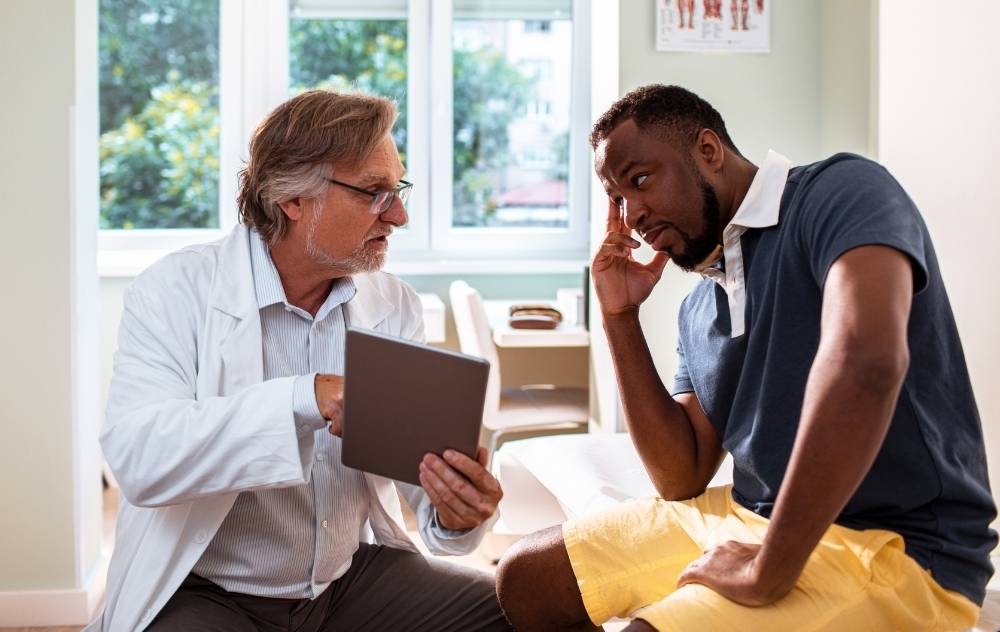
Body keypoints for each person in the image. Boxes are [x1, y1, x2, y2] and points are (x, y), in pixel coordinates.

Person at [496, 84, 997, 631]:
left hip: (896, 548)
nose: (631, 213)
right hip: (745, 515)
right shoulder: (700, 303)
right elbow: (680, 476)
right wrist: (619, 318)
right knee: (526, 577)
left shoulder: (841, 191)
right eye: (616, 198)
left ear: (708, 152)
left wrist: (767, 569)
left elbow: (867, 362)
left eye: (639, 180)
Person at [88, 90, 510, 632]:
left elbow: (412, 467)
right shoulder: (175, 290)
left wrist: (453, 511)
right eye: (375, 193)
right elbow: (140, 457)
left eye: (397, 189)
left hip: (344, 583)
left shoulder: (392, 305)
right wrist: (305, 397)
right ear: (292, 198)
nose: (399, 215)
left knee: (521, 609)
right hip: (205, 591)